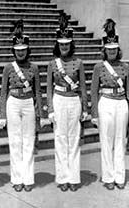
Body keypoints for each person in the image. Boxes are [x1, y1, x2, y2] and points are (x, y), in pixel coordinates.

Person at [46, 12, 88, 191]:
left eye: (67, 44)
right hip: (59, 100)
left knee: (73, 138)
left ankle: (73, 177)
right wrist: (50, 109)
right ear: (57, 45)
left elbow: (84, 88)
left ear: (71, 44)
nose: (64, 47)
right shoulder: (52, 64)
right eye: (61, 44)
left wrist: (85, 108)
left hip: (74, 100)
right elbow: (48, 87)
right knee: (60, 139)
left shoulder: (78, 62)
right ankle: (62, 178)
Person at [0, 20, 41, 192]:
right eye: (18, 50)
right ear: (13, 51)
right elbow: (2, 92)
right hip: (13, 103)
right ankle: (17, 178)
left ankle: (28, 178)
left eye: (23, 50)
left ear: (27, 50)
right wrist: (2, 114)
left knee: (28, 141)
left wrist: (40, 113)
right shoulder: (8, 68)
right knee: (15, 141)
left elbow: (38, 92)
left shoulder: (34, 68)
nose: (21, 53)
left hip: (28, 102)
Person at [91, 19, 129, 190]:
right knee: (106, 140)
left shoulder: (125, 66)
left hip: (121, 103)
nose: (112, 52)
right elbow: (93, 91)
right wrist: (93, 114)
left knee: (120, 140)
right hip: (105, 103)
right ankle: (108, 177)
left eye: (114, 49)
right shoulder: (99, 67)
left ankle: (120, 176)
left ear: (118, 50)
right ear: (104, 51)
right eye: (109, 49)